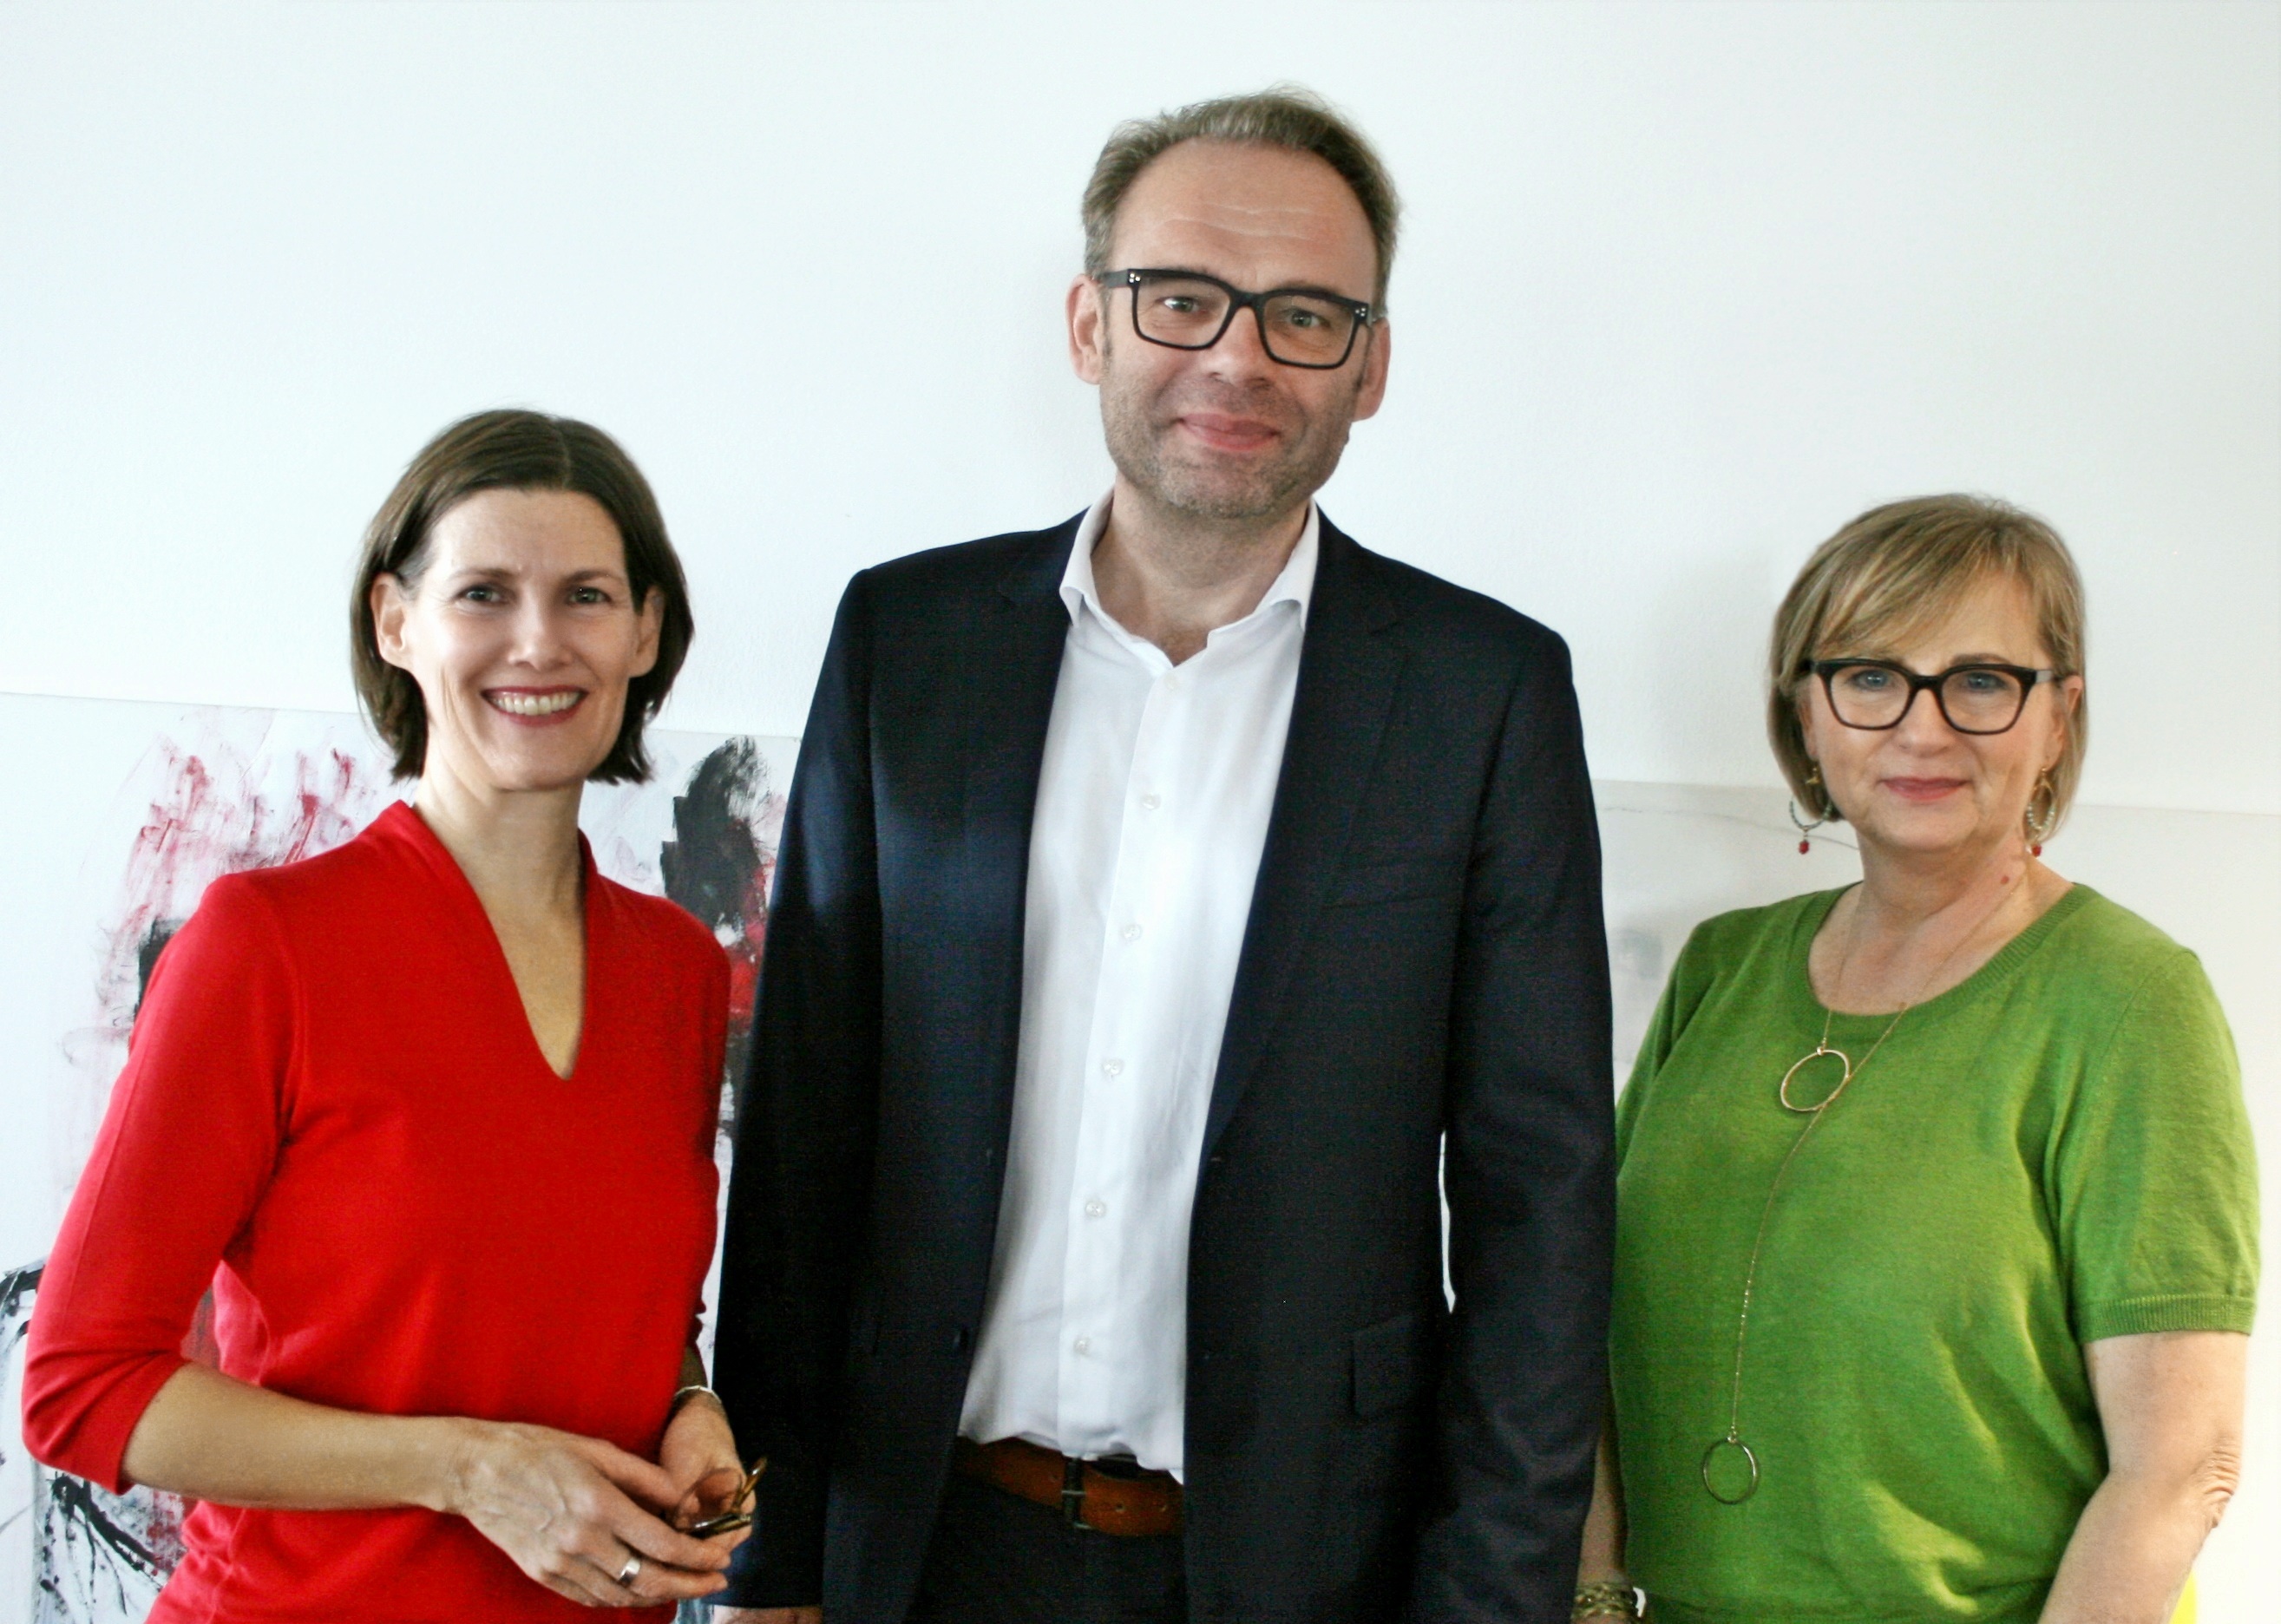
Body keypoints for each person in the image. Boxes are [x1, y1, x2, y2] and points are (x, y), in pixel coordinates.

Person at [711, 88, 1613, 1624]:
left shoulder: (1482, 694)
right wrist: (769, 1559)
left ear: (1372, 364)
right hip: (920, 1542)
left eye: (1306, 315)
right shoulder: (903, 646)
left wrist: (1491, 1599)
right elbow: (804, 1133)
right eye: (1180, 298)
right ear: (1089, 324)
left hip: (1304, 1568)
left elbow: (1540, 1203)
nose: (1239, 356)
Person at [24, 409, 757, 1620]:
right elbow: (80, 1386)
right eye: (482, 593)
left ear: (644, 633)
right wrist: (466, 1471)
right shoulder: (267, 945)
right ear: (394, 621)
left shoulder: (677, 971)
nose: (538, 642)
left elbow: (611, 1307)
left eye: (584, 595)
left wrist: (689, 1405)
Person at [1579, 496, 2258, 1624]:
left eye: (1983, 681)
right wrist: (1595, 1597)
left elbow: (2181, 1470)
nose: (1922, 728)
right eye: (1869, 676)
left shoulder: (2128, 1000)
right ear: (1805, 711)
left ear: (2057, 719)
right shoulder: (1721, 972)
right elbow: (1578, 1331)